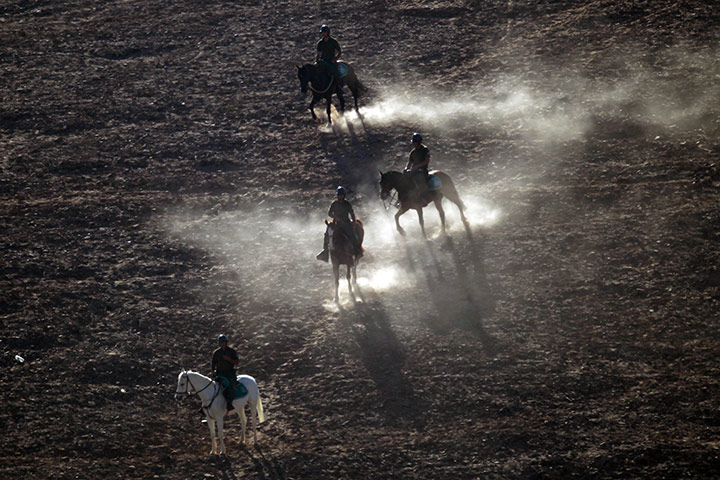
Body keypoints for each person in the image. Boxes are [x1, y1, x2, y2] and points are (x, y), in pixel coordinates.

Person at [316, 186, 362, 261]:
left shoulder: (347, 204)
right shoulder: (334, 204)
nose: (340, 196)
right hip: (336, 223)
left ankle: (357, 250)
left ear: (344, 195)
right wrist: (335, 216)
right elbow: (329, 213)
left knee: (353, 234)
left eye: (341, 195)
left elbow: (352, 213)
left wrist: (354, 221)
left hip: (346, 223)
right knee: (327, 234)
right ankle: (325, 252)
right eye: (339, 195)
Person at [211, 334, 239, 412]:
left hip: (229, 373)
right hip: (219, 373)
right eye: (221, 342)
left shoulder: (231, 351)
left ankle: (229, 404)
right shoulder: (216, 353)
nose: (222, 344)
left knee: (230, 386)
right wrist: (213, 372)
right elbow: (213, 363)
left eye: (224, 342)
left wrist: (228, 359)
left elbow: (237, 362)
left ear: (226, 343)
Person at [316, 24, 343, 95]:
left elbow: (339, 51)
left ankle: (338, 87)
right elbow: (318, 53)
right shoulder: (320, 43)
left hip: (331, 61)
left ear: (328, 32)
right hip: (323, 61)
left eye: (324, 32)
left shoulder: (333, 41)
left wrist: (335, 59)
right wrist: (317, 61)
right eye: (322, 32)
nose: (323, 34)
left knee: (334, 72)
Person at [404, 132, 431, 201]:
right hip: (414, 171)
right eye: (413, 142)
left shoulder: (425, 149)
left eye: (414, 142)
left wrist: (417, 167)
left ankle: (424, 197)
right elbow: (410, 162)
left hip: (422, 171)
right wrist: (406, 168)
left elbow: (427, 161)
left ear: (418, 142)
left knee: (420, 180)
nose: (413, 144)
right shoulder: (413, 152)